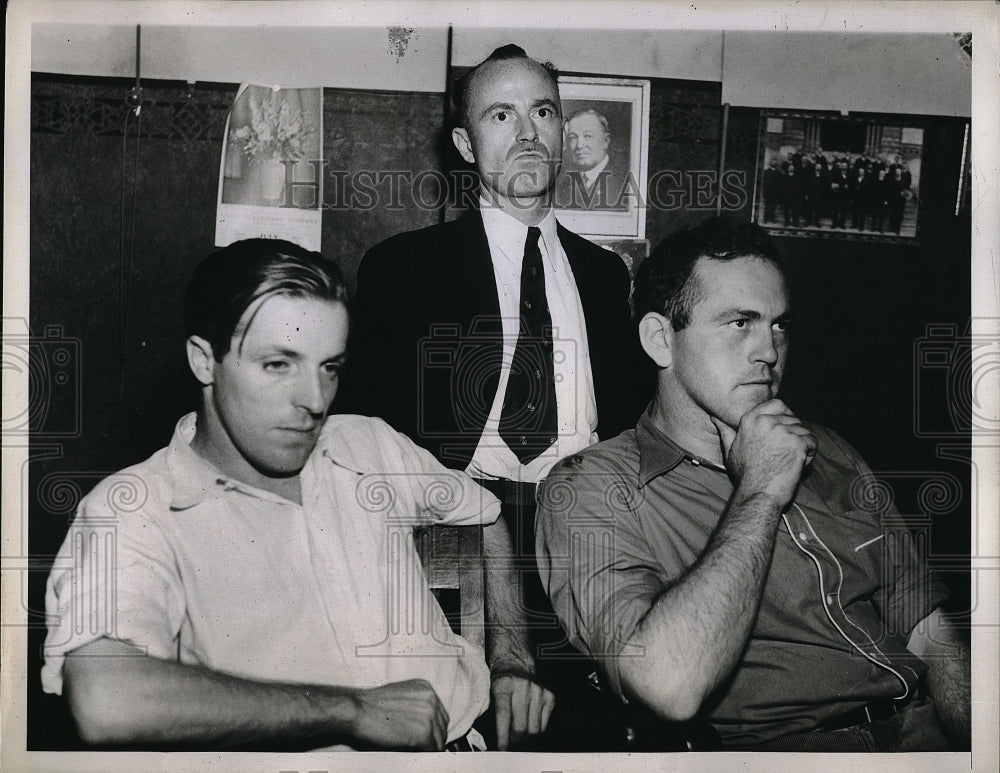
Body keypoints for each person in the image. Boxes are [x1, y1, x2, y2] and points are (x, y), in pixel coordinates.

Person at [41, 239, 552, 751]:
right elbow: (105, 699)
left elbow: (484, 517)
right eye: (278, 365)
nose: (314, 400)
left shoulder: (367, 444)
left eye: (329, 367)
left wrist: (512, 659)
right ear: (203, 360)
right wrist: (351, 711)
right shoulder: (136, 508)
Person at [536, 218, 970, 752]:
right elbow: (669, 686)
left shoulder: (829, 448)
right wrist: (760, 492)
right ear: (659, 340)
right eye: (740, 322)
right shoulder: (592, 487)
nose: (769, 350)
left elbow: (929, 631)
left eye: (779, 325)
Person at [340, 44, 648, 734]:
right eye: (501, 114)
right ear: (464, 143)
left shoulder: (604, 276)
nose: (528, 132)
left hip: (588, 533)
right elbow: (366, 439)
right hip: (452, 537)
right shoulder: (404, 269)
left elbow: (632, 428)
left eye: (543, 111)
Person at [556, 108, 628, 210]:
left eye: (588, 136)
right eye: (573, 137)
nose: (580, 145)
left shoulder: (625, 183)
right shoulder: (563, 186)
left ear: (606, 141)